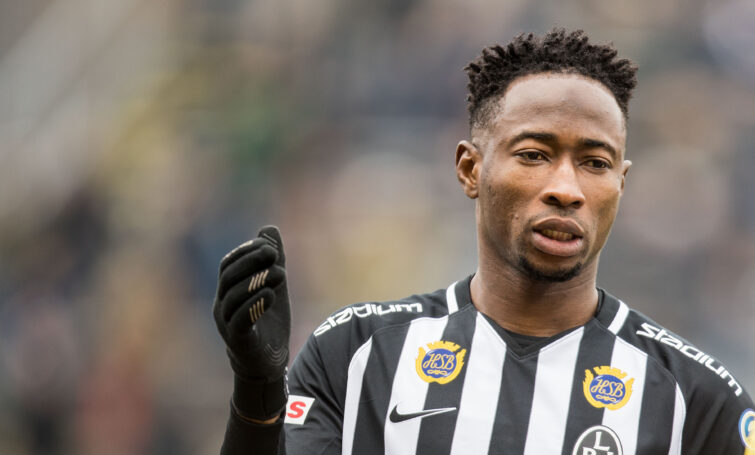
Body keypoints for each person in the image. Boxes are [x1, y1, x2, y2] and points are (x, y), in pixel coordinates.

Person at [212, 29, 755, 454]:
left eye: (595, 163)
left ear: (621, 183)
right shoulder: (356, 354)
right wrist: (258, 395)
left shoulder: (699, 401)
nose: (566, 189)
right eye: (534, 155)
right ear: (470, 169)